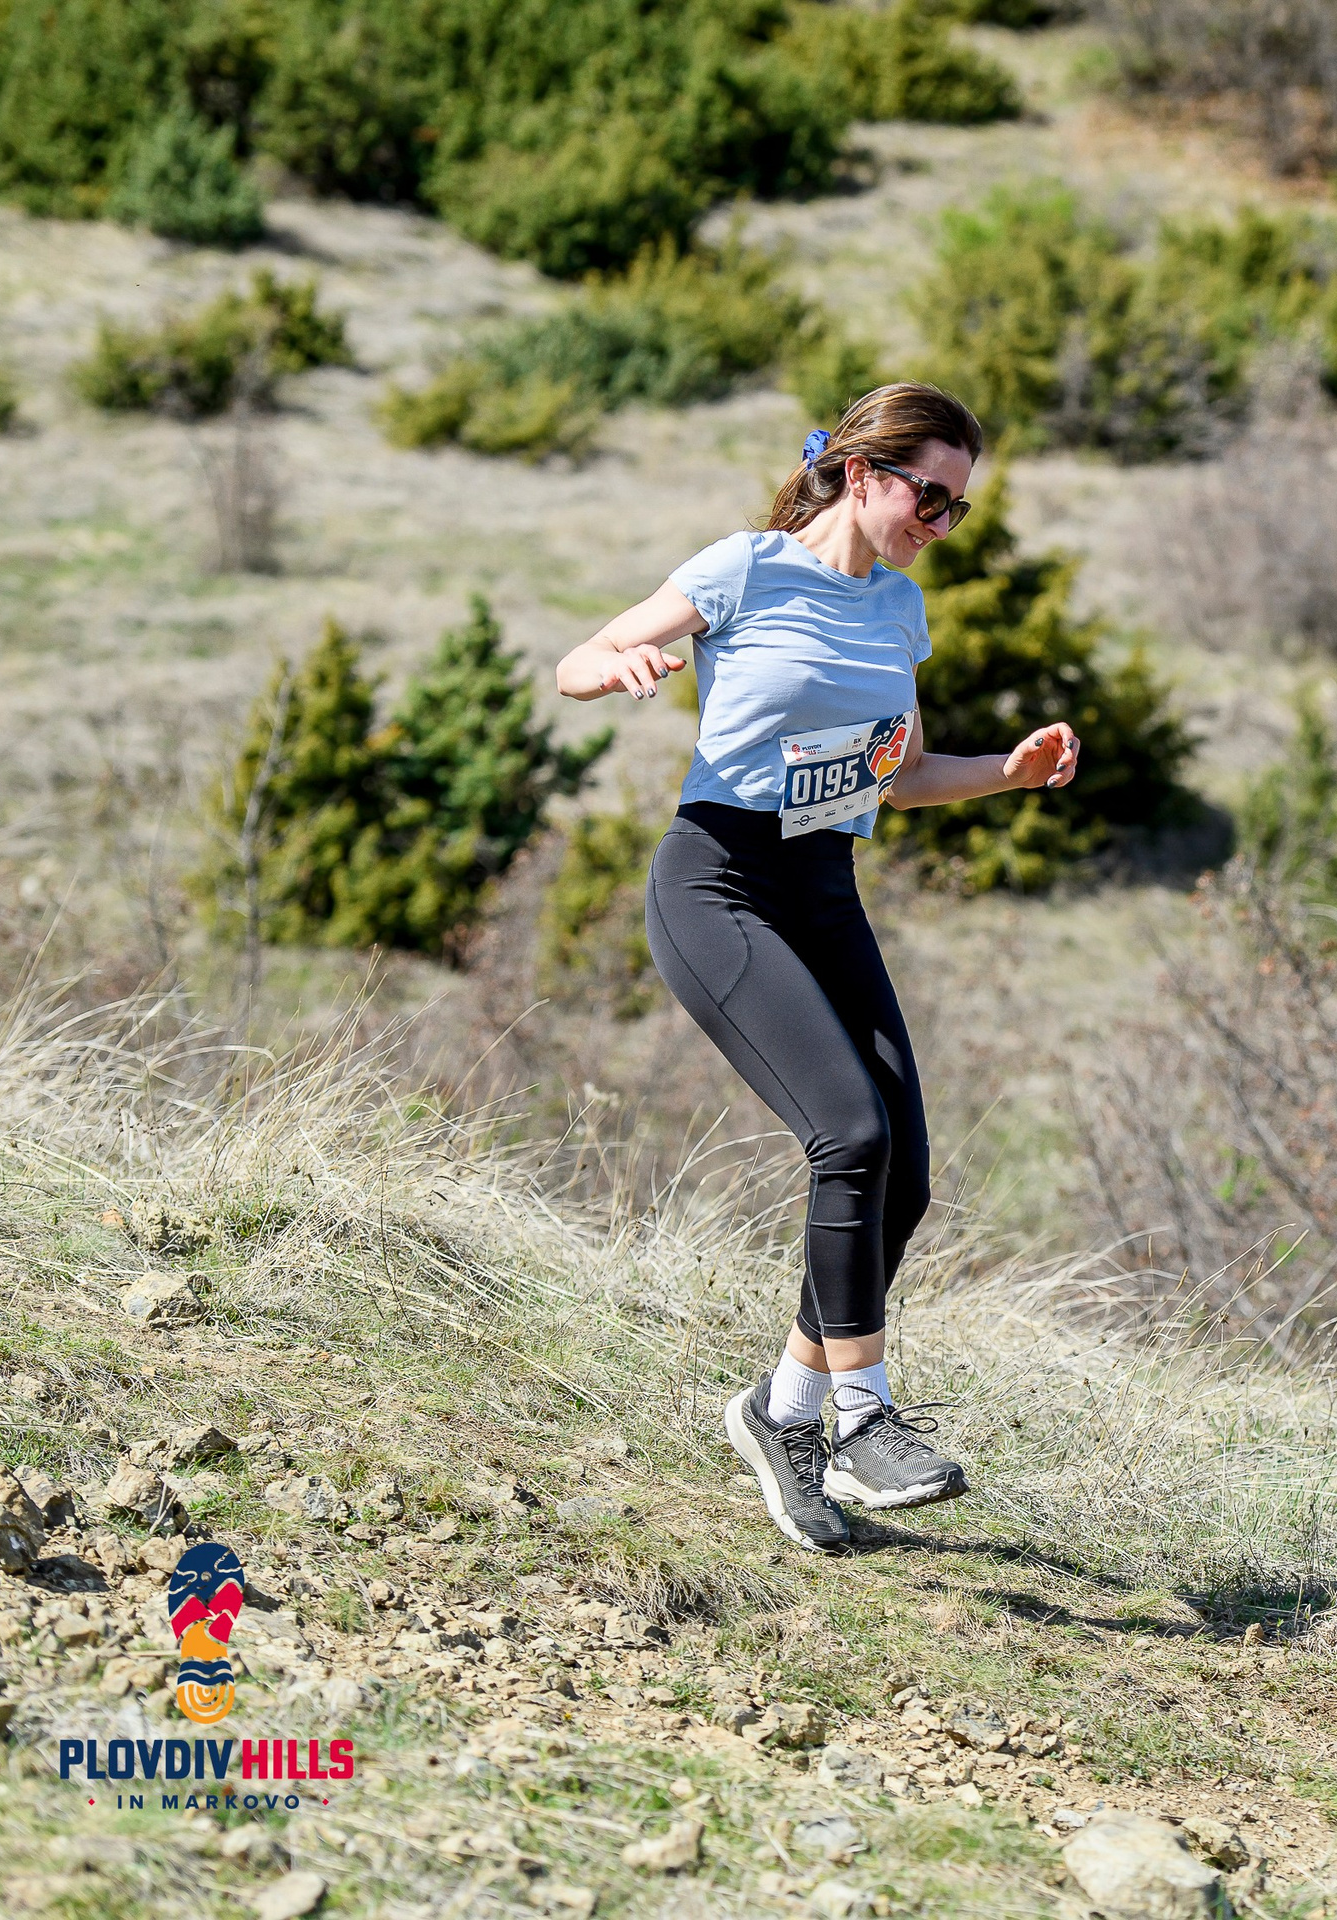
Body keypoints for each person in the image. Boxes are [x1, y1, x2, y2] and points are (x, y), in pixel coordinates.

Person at [555, 383, 1080, 1552]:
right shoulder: (743, 570)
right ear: (859, 471)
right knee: (849, 1135)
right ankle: (861, 1421)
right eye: (927, 495)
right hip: (722, 882)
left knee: (903, 1177)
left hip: (824, 887)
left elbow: (896, 775)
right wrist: (618, 669)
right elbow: (578, 658)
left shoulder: (898, 612)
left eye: (958, 508)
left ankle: (780, 1412)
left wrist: (1012, 768)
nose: (938, 524)